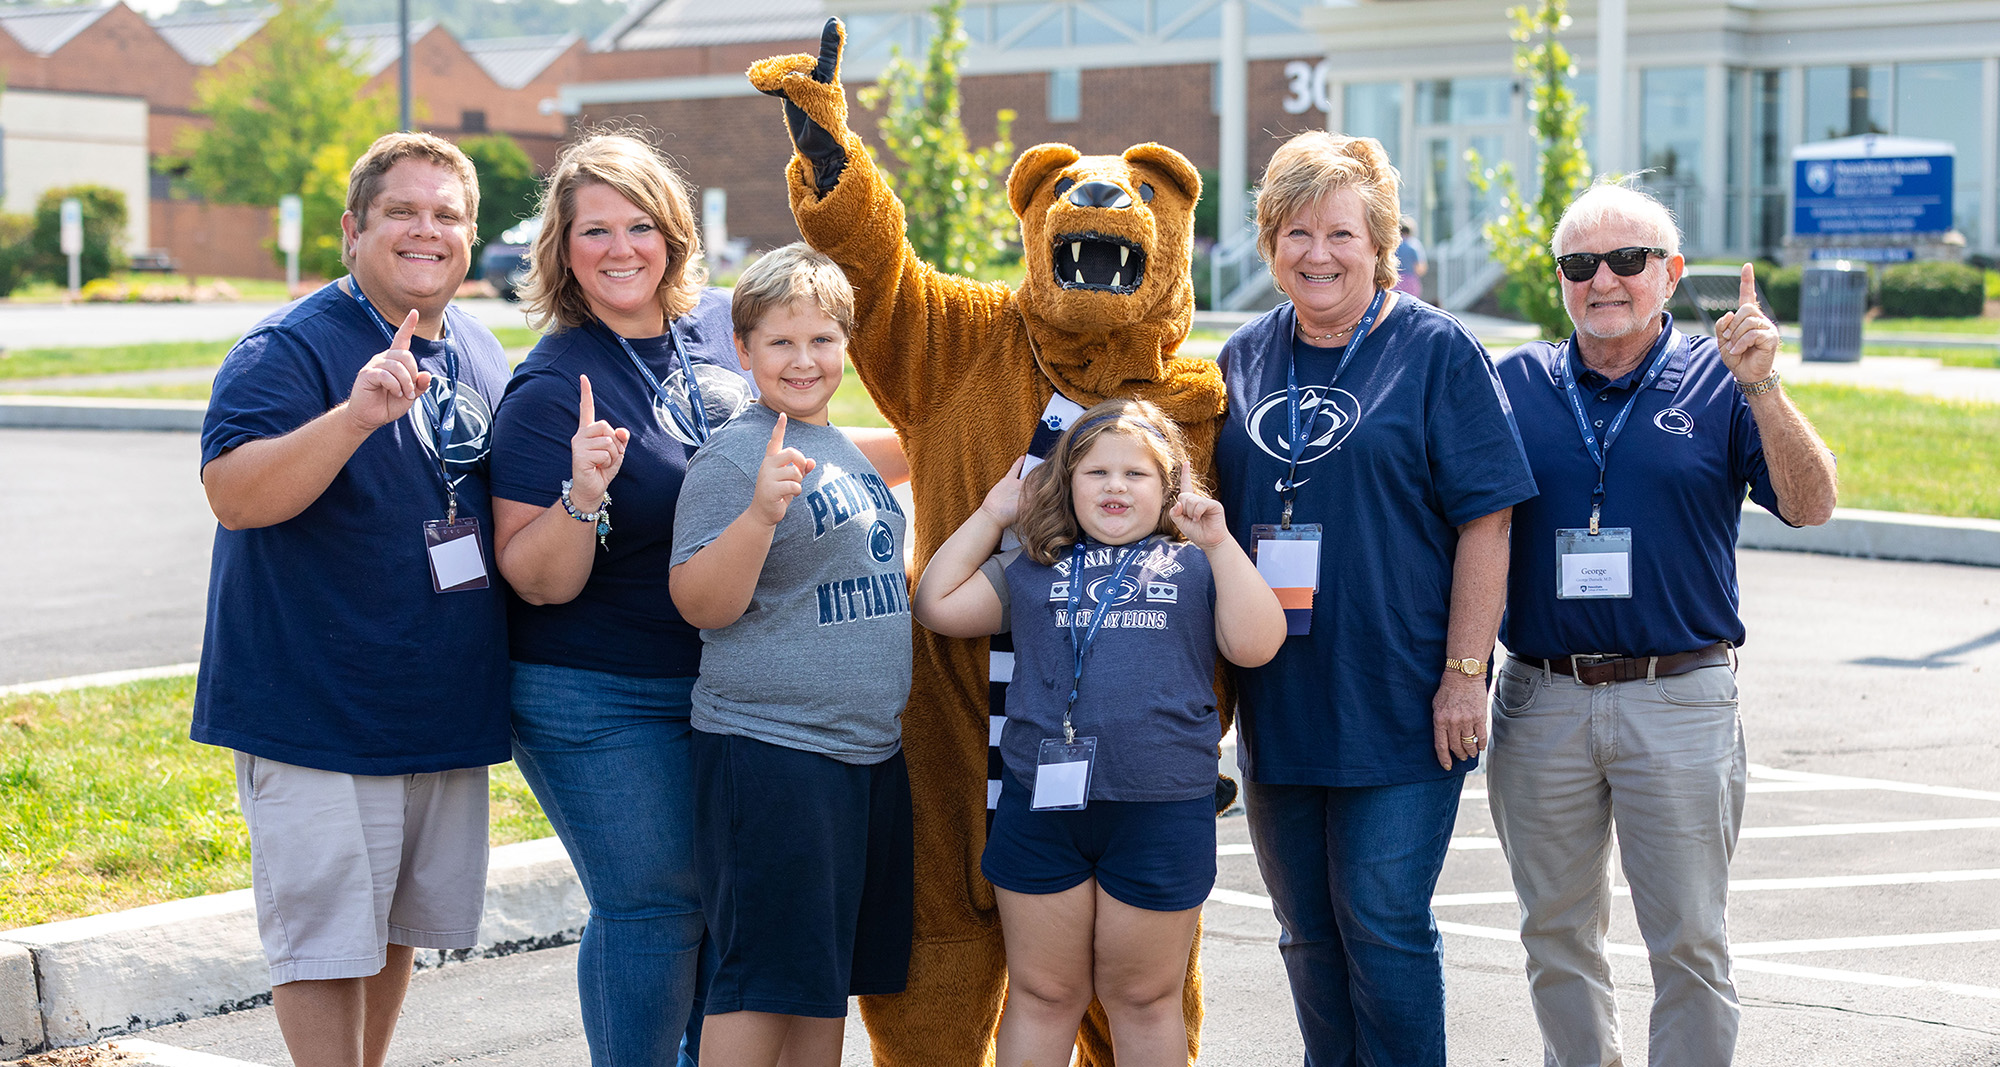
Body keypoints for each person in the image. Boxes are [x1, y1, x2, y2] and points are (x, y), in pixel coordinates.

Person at [1487, 181, 1837, 1067]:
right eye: (1580, 262)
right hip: (1540, 696)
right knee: (1555, 932)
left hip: (1678, 695)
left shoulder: (1724, 381)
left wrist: (1764, 384)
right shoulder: (1512, 383)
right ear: (1560, 278)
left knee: (1688, 939)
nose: (1604, 278)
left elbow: (1812, 503)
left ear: (1672, 273)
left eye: (1629, 259)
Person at [1210, 131, 1538, 1066]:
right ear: (1270, 242)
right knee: (1305, 928)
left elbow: (1490, 523)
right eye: (1297, 232)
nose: (1319, 254)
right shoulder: (1240, 359)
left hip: (1401, 700)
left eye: (1343, 234)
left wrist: (1466, 674)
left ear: (1380, 241)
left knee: (1382, 919)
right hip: (1282, 700)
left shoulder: (1436, 352)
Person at [193, 131, 508, 1067]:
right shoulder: (291, 348)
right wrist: (354, 417)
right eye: (402, 212)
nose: (427, 231)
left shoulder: (480, 348)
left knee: (394, 928)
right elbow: (235, 495)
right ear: (352, 231)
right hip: (318, 705)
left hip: (436, 706)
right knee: (326, 944)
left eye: (446, 214)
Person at [486, 131, 756, 1067]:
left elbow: (797, 455)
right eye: (593, 229)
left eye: (639, 224)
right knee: (654, 902)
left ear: (674, 235)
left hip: (713, 683)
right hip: (590, 690)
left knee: (718, 905)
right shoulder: (552, 385)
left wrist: (948, 454)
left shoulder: (707, 341)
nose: (619, 248)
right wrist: (582, 496)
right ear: (562, 251)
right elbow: (534, 576)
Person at [912, 398, 1286, 1067]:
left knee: (1141, 996)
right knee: (1044, 992)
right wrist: (996, 513)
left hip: (1160, 810)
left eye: (1136, 474)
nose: (1116, 485)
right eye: (1096, 472)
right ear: (1066, 485)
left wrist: (1219, 541)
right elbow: (937, 601)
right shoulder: (1033, 565)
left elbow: (1257, 644)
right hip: (1042, 809)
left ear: (1170, 488)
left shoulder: (1196, 565)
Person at [668, 243, 915, 1067]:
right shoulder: (737, 456)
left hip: (859, 756)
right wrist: (757, 517)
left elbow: (925, 435)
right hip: (773, 754)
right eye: (781, 342)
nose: (803, 359)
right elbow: (700, 602)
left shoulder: (830, 439)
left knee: (821, 980)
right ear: (743, 350)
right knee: (759, 981)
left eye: (822, 339)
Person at [1393, 215, 1427, 298]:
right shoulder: (1414, 244)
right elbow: (1420, 268)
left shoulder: (1393, 244)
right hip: (1410, 281)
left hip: (1394, 280)